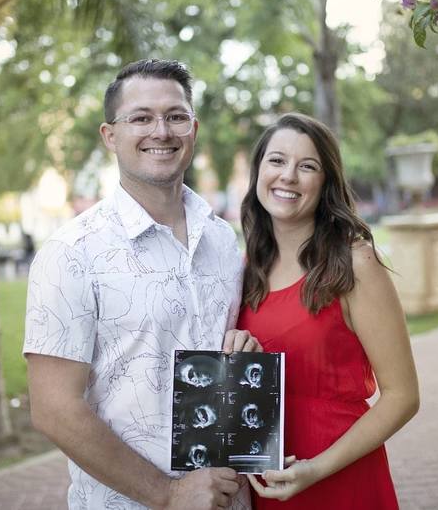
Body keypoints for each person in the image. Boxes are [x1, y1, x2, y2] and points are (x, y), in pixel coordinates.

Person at [23, 59, 261, 510]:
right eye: (141, 118)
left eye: (176, 116)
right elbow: (54, 409)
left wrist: (243, 352)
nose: (162, 131)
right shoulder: (71, 252)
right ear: (110, 135)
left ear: (194, 128)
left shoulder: (222, 239)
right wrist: (169, 494)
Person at [238, 113, 419, 509]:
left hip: (340, 480)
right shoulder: (246, 268)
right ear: (259, 172)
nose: (288, 176)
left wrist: (316, 469)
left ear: (325, 183)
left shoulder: (354, 263)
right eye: (277, 160)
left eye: (307, 166)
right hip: (268, 485)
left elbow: (403, 396)